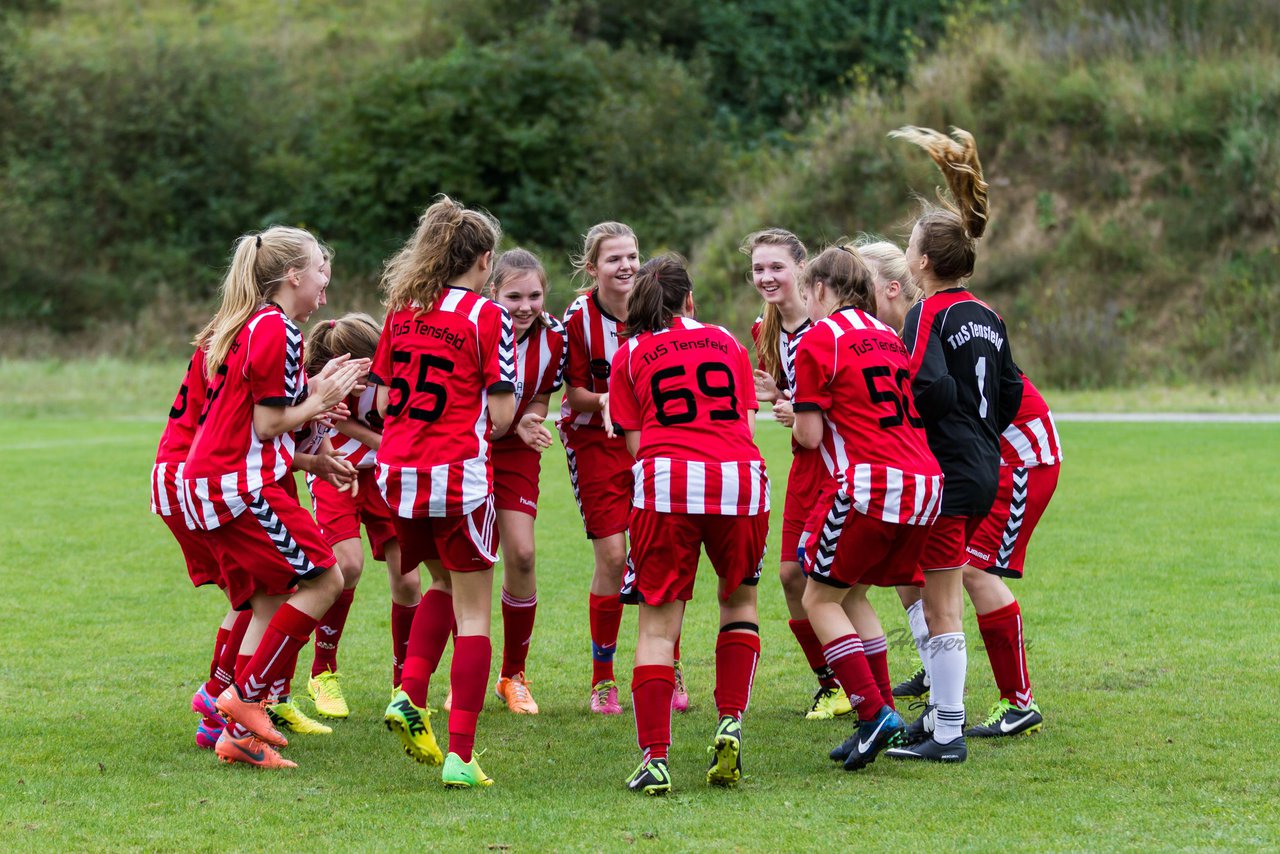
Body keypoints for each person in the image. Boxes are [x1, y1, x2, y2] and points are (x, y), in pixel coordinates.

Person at [183, 226, 367, 768]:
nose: (324, 293)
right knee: (326, 578)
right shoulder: (276, 329)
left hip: (224, 481)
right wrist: (324, 398)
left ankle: (237, 732)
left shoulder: (259, 325)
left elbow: (268, 411)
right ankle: (247, 699)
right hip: (239, 484)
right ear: (292, 276)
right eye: (320, 277)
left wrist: (316, 392)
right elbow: (267, 424)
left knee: (269, 597)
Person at [879, 126, 1023, 764]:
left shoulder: (929, 313)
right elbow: (1013, 389)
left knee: (940, 604)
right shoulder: (988, 313)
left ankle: (947, 733)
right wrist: (979, 427)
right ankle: (940, 717)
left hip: (950, 469)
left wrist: (922, 425)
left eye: (910, 247)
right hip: (987, 461)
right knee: (939, 591)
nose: (907, 254)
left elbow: (924, 383)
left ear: (922, 263)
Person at [609, 254, 769, 795]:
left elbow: (636, 446)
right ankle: (730, 722)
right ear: (690, 300)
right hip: (741, 478)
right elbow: (744, 423)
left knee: (657, 626)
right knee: (739, 604)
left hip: (669, 480)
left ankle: (655, 758)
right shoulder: (726, 340)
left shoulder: (629, 353)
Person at [374, 196, 515, 788]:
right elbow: (504, 415)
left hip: (398, 475)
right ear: (483, 260)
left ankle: (409, 692)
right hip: (459, 475)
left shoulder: (402, 311)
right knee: (476, 613)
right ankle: (461, 755)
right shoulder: (486, 317)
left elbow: (382, 403)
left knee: (439, 581)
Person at [791, 245, 943, 772]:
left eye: (807, 292)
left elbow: (809, 437)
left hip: (871, 483)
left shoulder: (820, 338)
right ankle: (878, 713)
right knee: (850, 592)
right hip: (924, 482)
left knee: (817, 599)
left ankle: (873, 711)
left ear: (822, 290)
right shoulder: (886, 335)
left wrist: (794, 412)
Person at [561, 222, 680, 715]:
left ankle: (667, 668)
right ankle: (603, 678)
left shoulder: (657, 304)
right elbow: (572, 395)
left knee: (660, 553)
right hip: (596, 442)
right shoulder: (577, 318)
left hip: (654, 440)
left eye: (632, 255)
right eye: (614, 259)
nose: (627, 265)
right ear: (593, 268)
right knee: (613, 557)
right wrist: (613, 398)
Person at [745, 228, 853, 720]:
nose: (766, 277)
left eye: (776, 267)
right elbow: (795, 401)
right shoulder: (762, 330)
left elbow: (845, 405)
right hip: (805, 464)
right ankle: (831, 684)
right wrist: (778, 399)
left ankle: (883, 679)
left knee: (838, 583)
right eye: (758, 269)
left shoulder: (829, 326)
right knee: (790, 575)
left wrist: (793, 408)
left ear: (801, 268)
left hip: (842, 465)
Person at [301, 313, 423, 717]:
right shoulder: (327, 378)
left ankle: (403, 685)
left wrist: (390, 447)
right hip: (335, 470)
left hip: (385, 478)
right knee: (347, 566)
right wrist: (378, 440)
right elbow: (348, 424)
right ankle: (323, 673)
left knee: (408, 580)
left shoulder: (398, 370)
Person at [151, 346, 253, 750]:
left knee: (249, 595)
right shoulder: (249, 336)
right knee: (262, 591)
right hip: (193, 476)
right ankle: (218, 695)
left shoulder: (225, 334)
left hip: (176, 473)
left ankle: (218, 709)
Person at [486, 249, 566, 714]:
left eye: (534, 295)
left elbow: (539, 395)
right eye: (513, 295)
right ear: (492, 292)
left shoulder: (554, 336)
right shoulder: (475, 327)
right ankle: (463, 674)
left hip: (515, 450)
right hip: (468, 446)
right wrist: (503, 421)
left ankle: (513, 675)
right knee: (465, 564)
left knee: (521, 552)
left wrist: (530, 420)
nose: (524, 306)